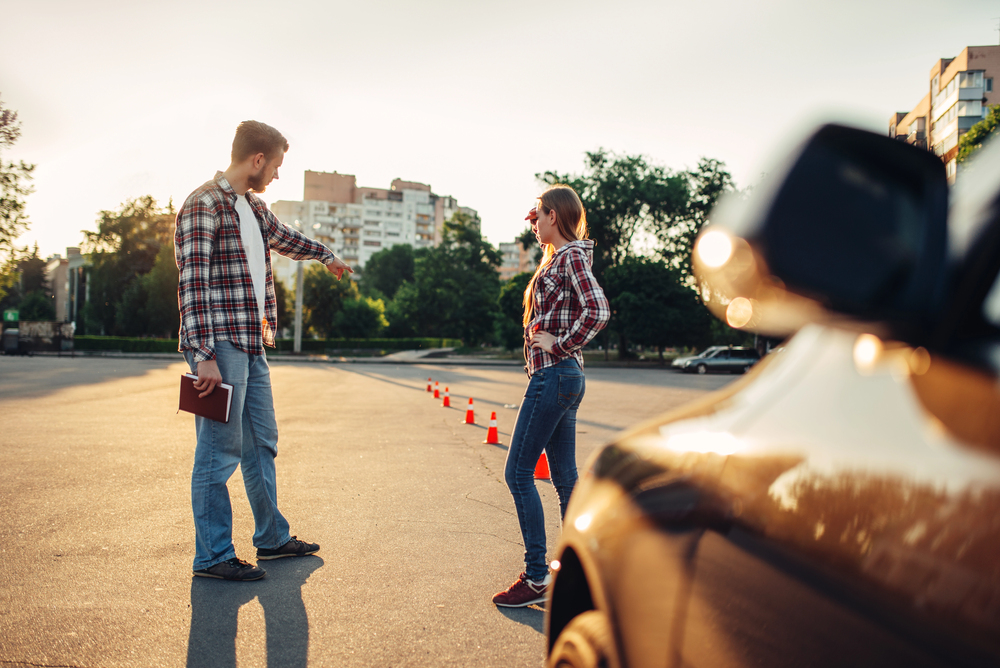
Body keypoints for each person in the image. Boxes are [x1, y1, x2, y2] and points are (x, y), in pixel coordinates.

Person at [175, 120, 353, 581]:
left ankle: (271, 538)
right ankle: (213, 555)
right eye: (275, 164)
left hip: (252, 344)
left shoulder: (253, 208)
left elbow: (287, 237)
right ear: (257, 159)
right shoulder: (203, 204)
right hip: (219, 347)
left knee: (262, 445)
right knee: (218, 452)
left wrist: (325, 254)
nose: (276, 174)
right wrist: (202, 354)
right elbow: (192, 283)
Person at [492, 184, 610, 607]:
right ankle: (584, 571)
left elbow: (598, 310)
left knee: (518, 473)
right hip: (565, 377)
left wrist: (558, 343)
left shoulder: (572, 256)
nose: (534, 223)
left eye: (539, 216)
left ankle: (538, 575)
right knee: (564, 479)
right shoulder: (562, 256)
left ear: (554, 217)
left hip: (555, 374)